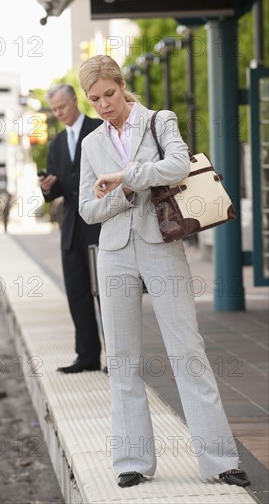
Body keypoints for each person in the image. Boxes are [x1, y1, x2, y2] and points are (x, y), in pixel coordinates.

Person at [78, 54, 250, 489]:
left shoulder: (159, 120)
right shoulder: (91, 144)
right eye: (95, 99)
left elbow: (177, 165)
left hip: (161, 245)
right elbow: (87, 209)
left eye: (109, 94)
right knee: (121, 359)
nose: (104, 105)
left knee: (187, 351)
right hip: (114, 252)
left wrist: (126, 176)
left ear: (122, 86)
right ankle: (131, 461)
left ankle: (219, 460)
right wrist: (121, 193)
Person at [39, 83, 103, 374]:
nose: (58, 113)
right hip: (71, 229)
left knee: (108, 295)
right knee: (77, 294)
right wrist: (47, 188)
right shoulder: (56, 143)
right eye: (54, 109)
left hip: (100, 226)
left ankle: (117, 358)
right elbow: (58, 189)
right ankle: (87, 356)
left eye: (61, 107)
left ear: (75, 101)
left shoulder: (100, 129)